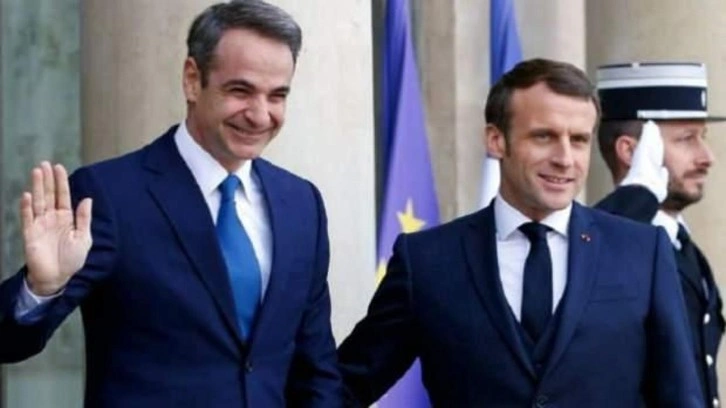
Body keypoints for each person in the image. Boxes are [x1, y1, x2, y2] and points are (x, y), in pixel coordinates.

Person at [0, 1, 342, 406]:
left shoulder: (301, 205)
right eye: (240, 91)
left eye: (277, 96)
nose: (260, 115)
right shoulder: (111, 196)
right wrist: (41, 288)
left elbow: (316, 369)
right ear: (192, 80)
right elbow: (8, 342)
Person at [337, 58, 703, 407]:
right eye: (544, 137)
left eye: (578, 140)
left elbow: (679, 398)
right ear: (496, 140)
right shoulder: (427, 262)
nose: (565, 158)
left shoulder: (642, 252)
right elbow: (344, 389)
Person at [594, 61, 724, 408]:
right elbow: (583, 258)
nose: (707, 157)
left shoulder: (682, 245)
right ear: (631, 152)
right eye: (686, 139)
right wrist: (638, 195)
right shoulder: (611, 244)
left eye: (703, 138)